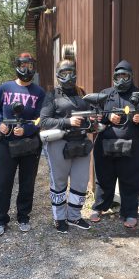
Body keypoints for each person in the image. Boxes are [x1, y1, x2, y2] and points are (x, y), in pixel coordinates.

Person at [90, 60, 139, 228]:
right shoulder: (105, 94)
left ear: (130, 76)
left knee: (130, 181)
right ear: (114, 77)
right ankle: (99, 207)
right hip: (106, 146)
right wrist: (107, 117)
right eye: (118, 76)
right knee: (104, 178)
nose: (121, 79)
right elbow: (95, 115)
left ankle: (130, 213)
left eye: (125, 75)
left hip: (133, 148)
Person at [0, 52, 45, 236]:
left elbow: (40, 119)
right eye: (23, 65)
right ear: (17, 66)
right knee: (3, 182)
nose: (26, 69)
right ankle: (0, 220)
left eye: (29, 65)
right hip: (6, 144)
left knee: (27, 182)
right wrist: (1, 125)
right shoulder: (4, 88)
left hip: (29, 144)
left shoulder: (39, 92)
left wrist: (27, 130)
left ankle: (23, 217)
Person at [40, 59, 92, 233]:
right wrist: (67, 121)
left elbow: (91, 117)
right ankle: (59, 218)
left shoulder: (82, 93)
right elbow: (45, 121)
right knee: (59, 183)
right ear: (57, 75)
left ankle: (74, 216)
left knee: (80, 182)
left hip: (82, 144)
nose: (68, 76)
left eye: (70, 72)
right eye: (63, 73)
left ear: (75, 73)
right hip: (59, 144)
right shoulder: (51, 95)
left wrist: (93, 120)